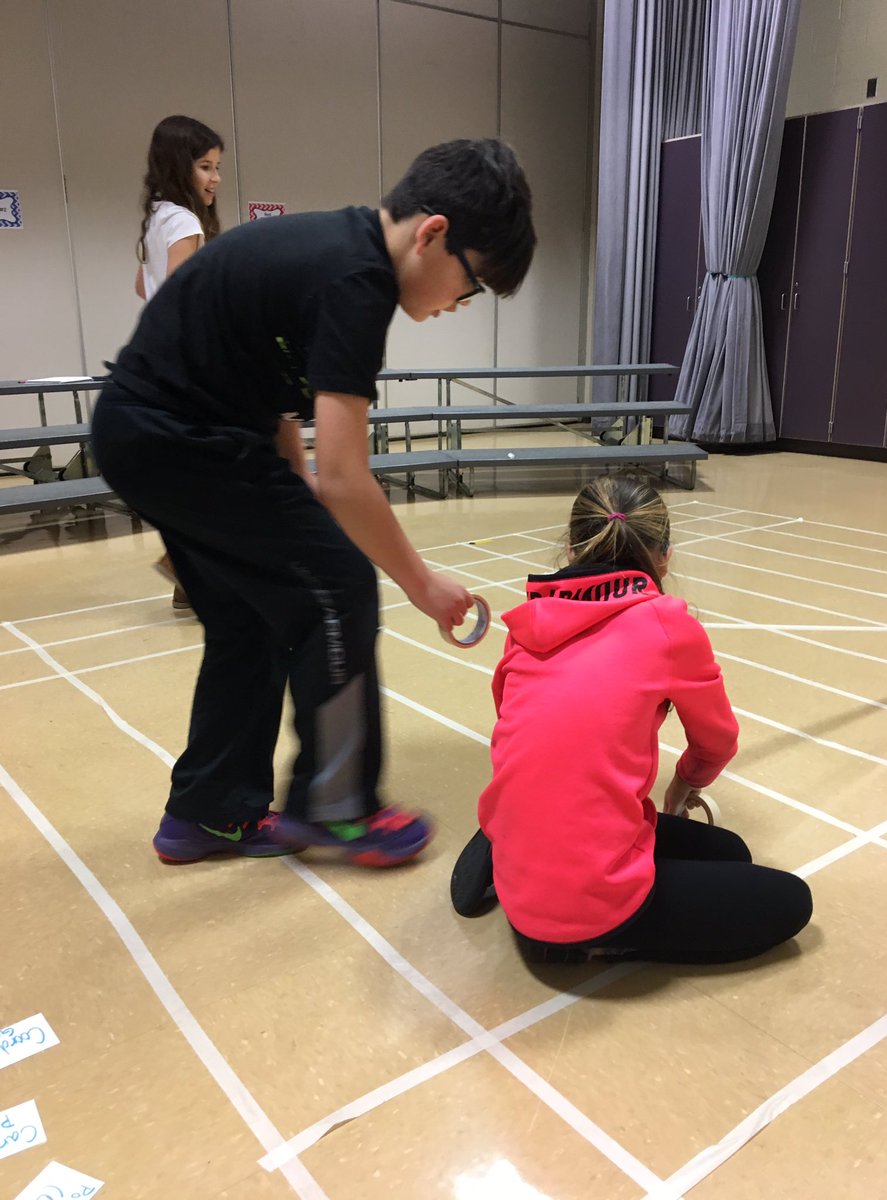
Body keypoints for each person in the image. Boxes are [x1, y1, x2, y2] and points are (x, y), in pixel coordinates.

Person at [92, 138, 536, 868]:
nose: (460, 305)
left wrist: (291, 489)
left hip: (151, 434)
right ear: (434, 235)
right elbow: (345, 478)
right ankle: (339, 808)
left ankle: (208, 812)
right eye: (472, 285)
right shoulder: (358, 281)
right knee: (340, 587)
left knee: (252, 616)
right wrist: (423, 585)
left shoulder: (341, 252)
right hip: (179, 439)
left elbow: (273, 399)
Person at [450, 473, 812, 964]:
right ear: (663, 553)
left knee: (728, 851)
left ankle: (507, 842)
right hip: (589, 908)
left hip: (522, 862)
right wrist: (684, 786)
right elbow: (717, 742)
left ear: (573, 550)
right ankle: (597, 925)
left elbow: (520, 731)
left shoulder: (527, 623)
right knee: (792, 901)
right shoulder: (668, 626)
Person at [134, 115, 225, 613]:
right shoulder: (185, 221)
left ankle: (187, 576)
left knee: (202, 476)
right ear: (178, 165)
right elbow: (176, 296)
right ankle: (185, 564)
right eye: (205, 167)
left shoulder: (157, 216)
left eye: (217, 167)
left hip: (157, 368)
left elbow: (141, 286)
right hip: (188, 369)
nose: (214, 178)